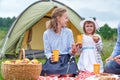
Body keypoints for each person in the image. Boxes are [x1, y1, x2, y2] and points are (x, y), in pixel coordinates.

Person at [41, 7, 78, 77]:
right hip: (55, 59)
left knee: (70, 72)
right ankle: (58, 73)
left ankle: (62, 73)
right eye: (66, 18)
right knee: (50, 72)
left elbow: (70, 52)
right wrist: (50, 56)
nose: (67, 20)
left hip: (66, 59)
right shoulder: (46, 33)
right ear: (58, 18)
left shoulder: (69, 32)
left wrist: (73, 51)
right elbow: (47, 52)